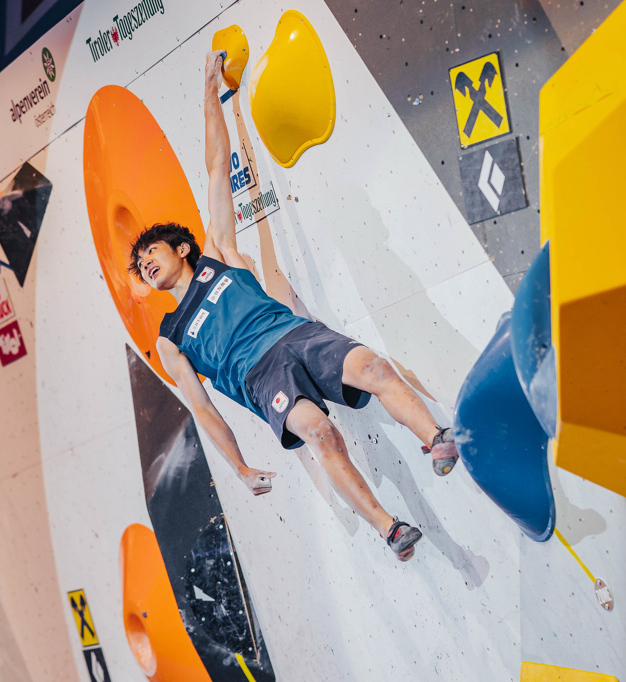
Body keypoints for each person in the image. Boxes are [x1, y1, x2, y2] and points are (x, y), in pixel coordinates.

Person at [129, 51, 459, 561]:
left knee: (373, 365)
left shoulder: (220, 253)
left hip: (297, 336)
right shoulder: (170, 338)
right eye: (140, 262)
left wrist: (210, 95)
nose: (146, 262)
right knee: (321, 432)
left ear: (182, 249)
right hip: (264, 380)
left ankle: (437, 437)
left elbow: (219, 167)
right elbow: (203, 408)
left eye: (152, 250)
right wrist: (239, 467)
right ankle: (389, 529)